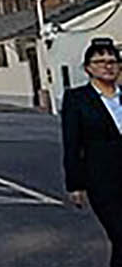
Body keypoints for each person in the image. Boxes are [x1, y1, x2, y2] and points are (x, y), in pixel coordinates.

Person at [63, 38, 122, 265]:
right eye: (100, 61)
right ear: (88, 68)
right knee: (119, 234)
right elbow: (72, 143)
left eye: (112, 61)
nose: (107, 66)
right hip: (102, 181)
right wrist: (75, 184)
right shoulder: (77, 99)